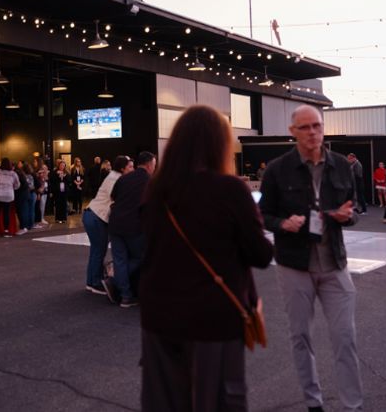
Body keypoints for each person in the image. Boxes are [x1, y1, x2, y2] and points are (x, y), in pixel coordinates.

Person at [140, 105, 273, 411]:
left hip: (158, 314)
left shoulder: (156, 190)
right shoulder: (229, 189)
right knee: (219, 399)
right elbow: (261, 253)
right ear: (220, 144)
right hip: (213, 316)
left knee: (164, 401)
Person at [259, 105, 363, 412]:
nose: (312, 132)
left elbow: (354, 208)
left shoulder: (342, 165)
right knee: (301, 337)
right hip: (294, 265)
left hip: (335, 263)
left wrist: (348, 217)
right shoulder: (278, 169)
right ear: (292, 132)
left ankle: (352, 405)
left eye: (316, 125)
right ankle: (313, 402)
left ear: (323, 127)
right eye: (304, 127)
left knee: (345, 338)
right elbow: (263, 214)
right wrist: (282, 224)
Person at [102, 151, 157, 307]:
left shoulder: (123, 179)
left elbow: (113, 198)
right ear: (148, 165)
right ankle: (116, 282)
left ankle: (125, 295)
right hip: (134, 227)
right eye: (154, 164)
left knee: (120, 260)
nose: (155, 167)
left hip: (115, 224)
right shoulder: (151, 182)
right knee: (141, 258)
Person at [82, 155, 133, 295]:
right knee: (99, 250)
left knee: (96, 250)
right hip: (97, 216)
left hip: (91, 214)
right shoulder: (115, 179)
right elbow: (116, 199)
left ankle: (91, 281)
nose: (132, 169)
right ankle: (95, 283)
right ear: (122, 168)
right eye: (130, 167)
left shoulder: (114, 176)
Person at [0, 158, 20, 235]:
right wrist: (12, 188)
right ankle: (6, 231)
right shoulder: (13, 174)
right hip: (8, 195)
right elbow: (17, 185)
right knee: (6, 213)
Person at [34, 158, 49, 225]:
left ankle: (41, 218)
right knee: (38, 205)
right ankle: (39, 218)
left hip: (42, 189)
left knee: (42, 204)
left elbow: (44, 179)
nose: (34, 163)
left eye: (35, 161)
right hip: (38, 189)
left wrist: (42, 188)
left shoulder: (42, 169)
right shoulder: (36, 170)